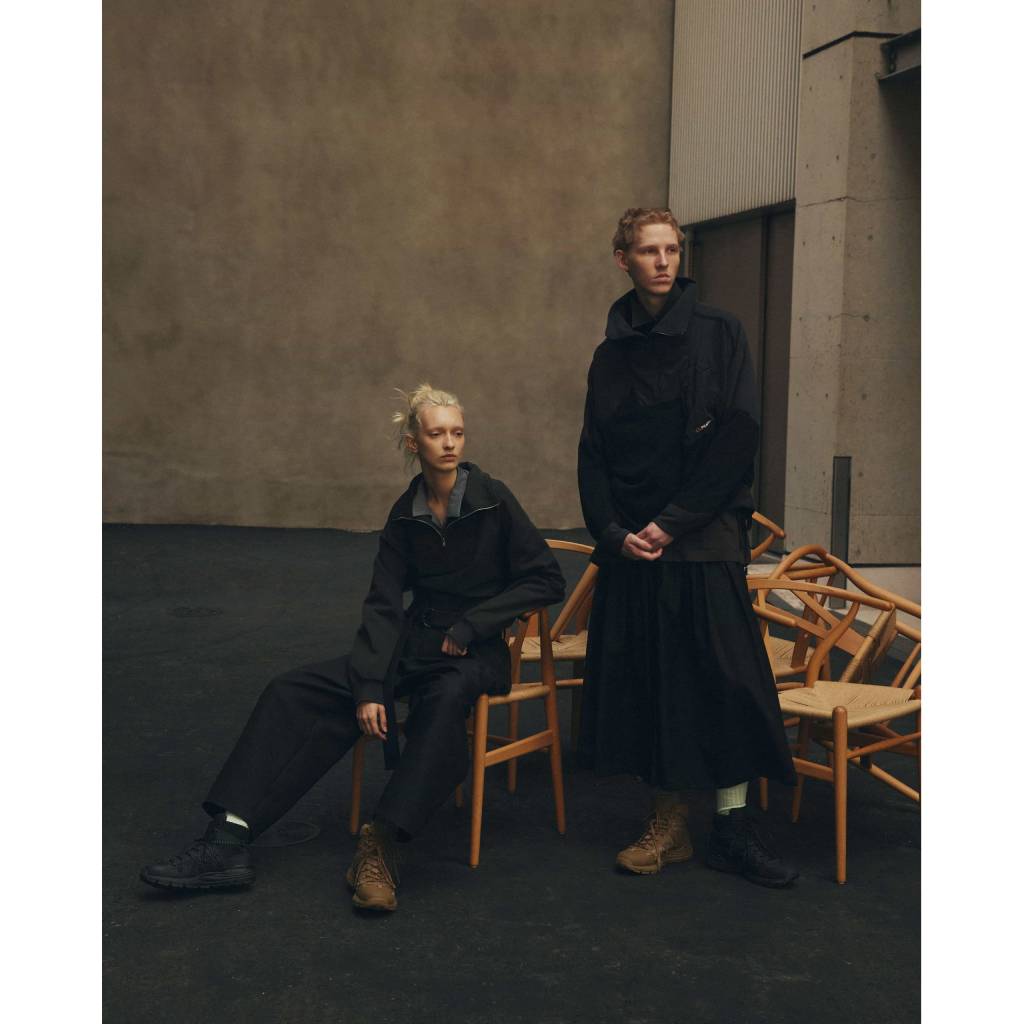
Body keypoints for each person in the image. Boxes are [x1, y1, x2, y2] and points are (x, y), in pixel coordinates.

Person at [140, 384, 566, 911]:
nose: (450, 444)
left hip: (474, 654)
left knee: (443, 703)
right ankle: (227, 838)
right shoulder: (405, 514)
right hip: (414, 644)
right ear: (413, 443)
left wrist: (472, 626)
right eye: (437, 434)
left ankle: (381, 844)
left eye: (457, 433)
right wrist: (368, 686)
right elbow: (383, 605)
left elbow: (545, 578)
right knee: (293, 691)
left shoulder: (493, 499)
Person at [576, 207, 799, 888]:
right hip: (635, 547)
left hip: (704, 537)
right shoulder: (610, 355)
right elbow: (593, 455)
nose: (663, 261)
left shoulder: (720, 332)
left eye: (672, 249)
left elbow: (738, 435)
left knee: (727, 682)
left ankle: (732, 828)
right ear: (624, 259)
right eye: (649, 251)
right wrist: (613, 533)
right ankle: (668, 824)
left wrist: (672, 523)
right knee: (655, 684)